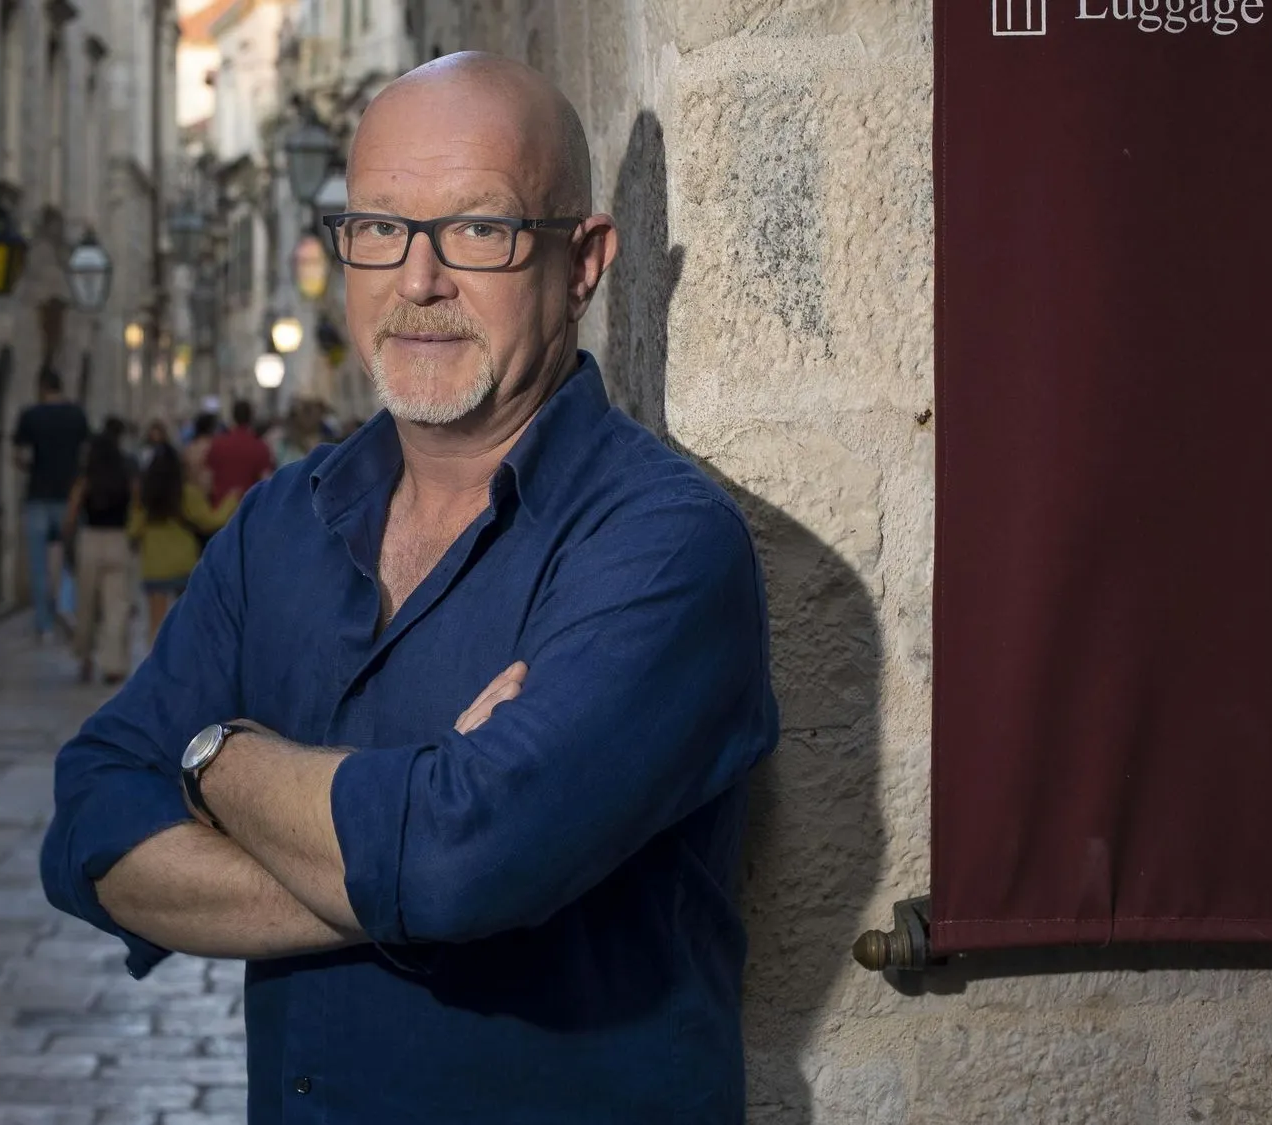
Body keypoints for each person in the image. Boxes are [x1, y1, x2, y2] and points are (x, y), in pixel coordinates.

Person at [40, 52, 778, 1125]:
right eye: (379, 227)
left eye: (479, 229)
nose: (418, 281)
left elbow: (460, 861)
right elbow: (91, 820)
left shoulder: (664, 544)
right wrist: (404, 851)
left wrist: (213, 759)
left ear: (582, 262)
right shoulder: (278, 528)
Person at [128, 441, 243, 646]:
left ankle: (157, 660)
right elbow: (211, 521)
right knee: (187, 623)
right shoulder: (187, 493)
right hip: (184, 566)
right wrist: (232, 500)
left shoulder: (144, 498)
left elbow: (133, 530)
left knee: (156, 625)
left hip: (154, 567)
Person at [11, 367, 88, 643]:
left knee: (39, 565)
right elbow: (85, 456)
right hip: (69, 497)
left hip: (38, 496)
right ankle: (68, 608)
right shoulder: (77, 415)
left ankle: (44, 626)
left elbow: (19, 456)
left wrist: (32, 466)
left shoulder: (30, 416)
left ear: (41, 388)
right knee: (71, 560)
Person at [62, 427, 135, 685]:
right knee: (116, 607)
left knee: (87, 605)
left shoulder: (86, 480)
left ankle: (85, 658)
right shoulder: (125, 478)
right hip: (118, 540)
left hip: (90, 540)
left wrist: (67, 540)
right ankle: (113, 664)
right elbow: (137, 508)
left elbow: (71, 515)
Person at [203, 399, 275, 505]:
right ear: (251, 417)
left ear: (233, 417)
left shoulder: (217, 444)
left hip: (220, 507)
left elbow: (207, 480)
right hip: (247, 508)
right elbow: (265, 482)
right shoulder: (260, 447)